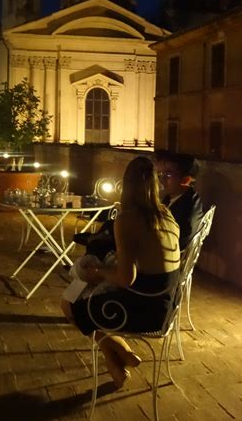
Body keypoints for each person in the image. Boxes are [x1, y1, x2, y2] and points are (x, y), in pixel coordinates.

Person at [61, 156, 180, 389]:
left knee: (70, 304)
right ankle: (116, 364)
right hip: (167, 303)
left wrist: (99, 272)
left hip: (144, 309)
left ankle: (122, 353)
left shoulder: (127, 219)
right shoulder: (165, 212)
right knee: (89, 300)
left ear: (125, 185)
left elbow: (126, 279)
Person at [155, 151, 204, 251]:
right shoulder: (173, 197)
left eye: (168, 174)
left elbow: (178, 244)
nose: (161, 179)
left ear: (185, 180)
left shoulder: (186, 210)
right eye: (161, 173)